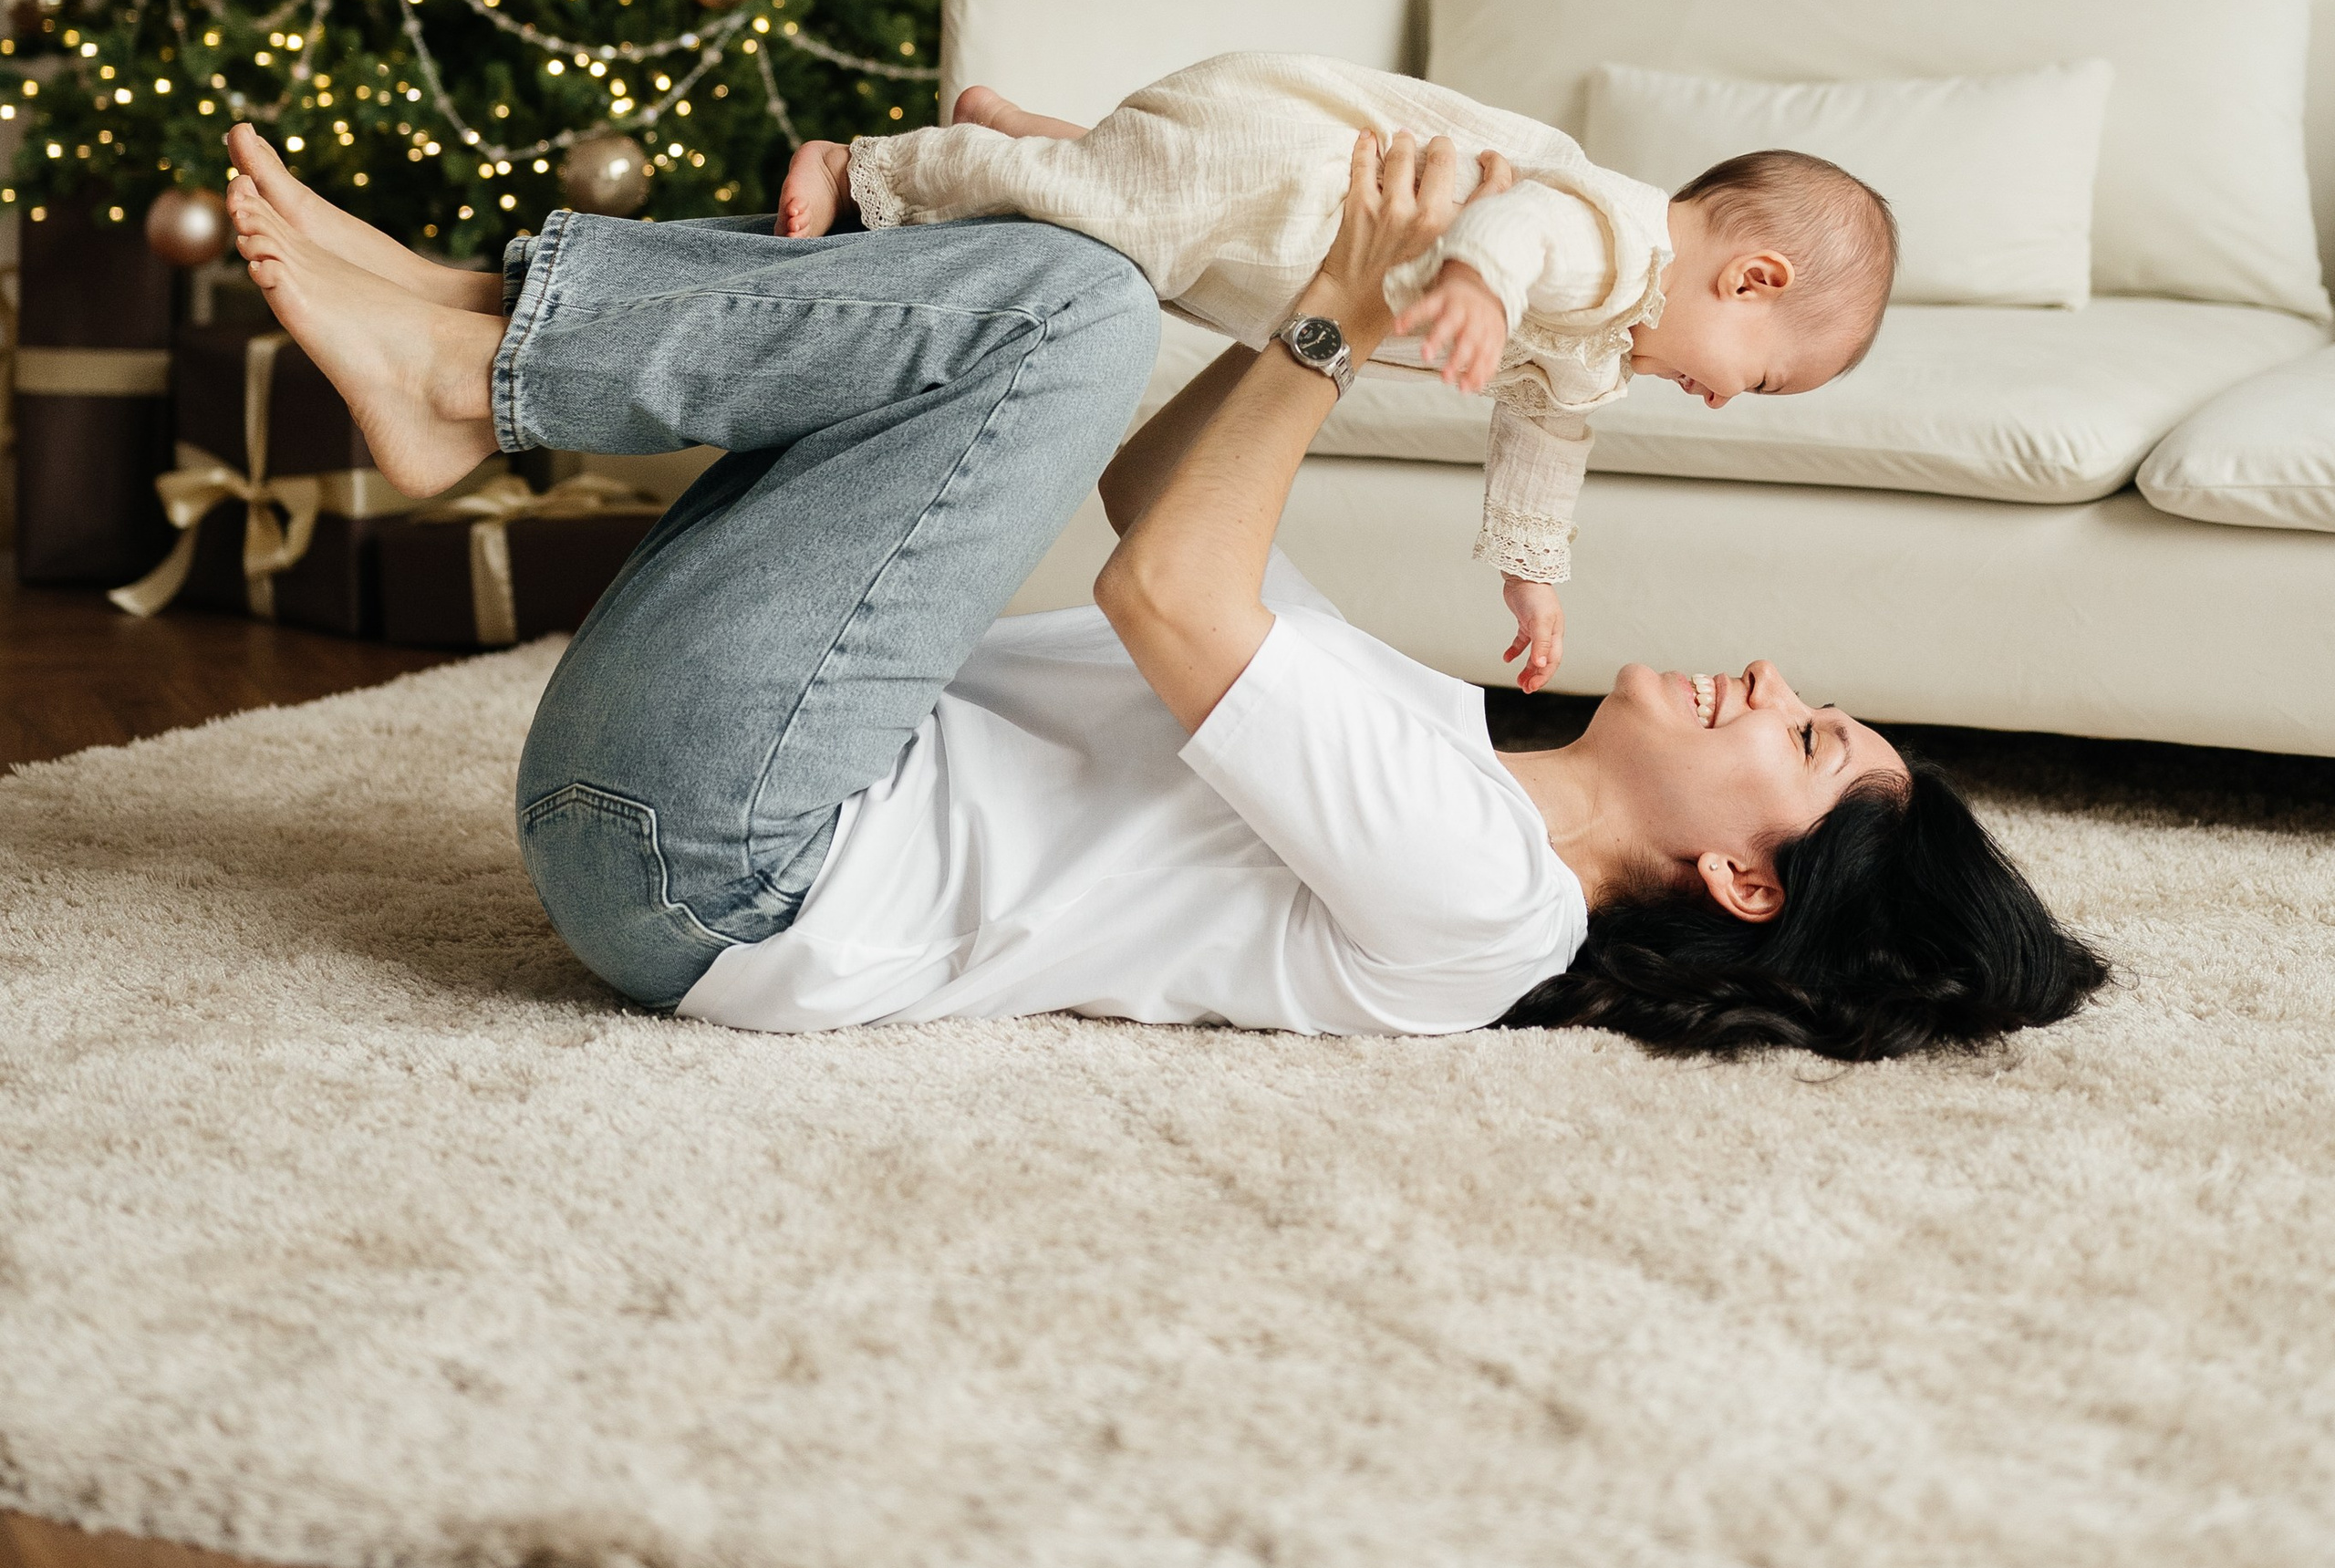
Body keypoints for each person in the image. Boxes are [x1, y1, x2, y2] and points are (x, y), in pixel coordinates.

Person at [221, 119, 2104, 1063]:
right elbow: (1152, 490)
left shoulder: (1485, 909)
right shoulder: (1437, 735)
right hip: (718, 779)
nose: (1767, 675)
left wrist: (1334, 323)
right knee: (1076, 272)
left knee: (1065, 303)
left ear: (1746, 879)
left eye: (1800, 731)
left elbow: (1165, 593)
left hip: (720, 866)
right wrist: (1277, 274)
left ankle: (486, 374)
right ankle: (481, 334)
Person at [779, 53, 1899, 691]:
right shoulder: (1618, 241)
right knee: (1143, 201)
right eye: (1757, 380)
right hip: (1297, 176)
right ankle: (870, 162)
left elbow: (1545, 439)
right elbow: (1523, 226)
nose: (1719, 400)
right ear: (1751, 277)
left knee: (1130, 218)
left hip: (1295, 260)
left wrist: (1530, 570)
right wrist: (1475, 283)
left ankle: (1022, 131)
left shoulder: (1608, 344)